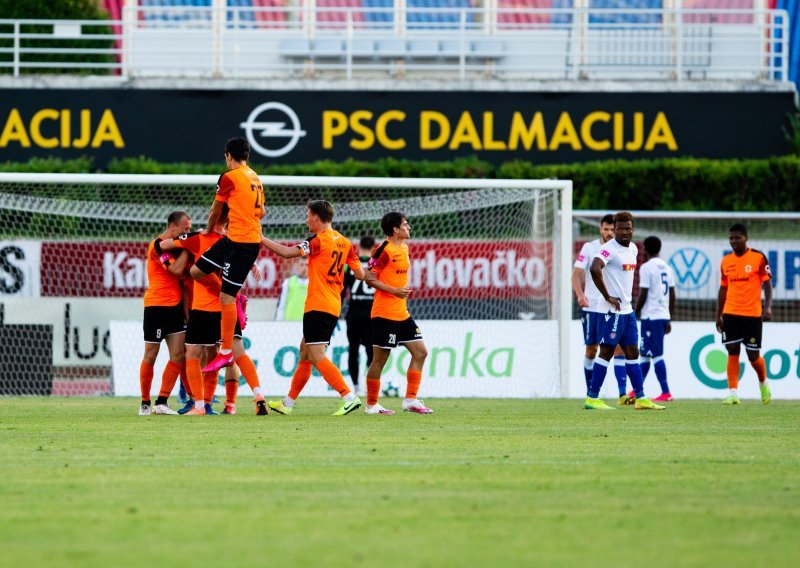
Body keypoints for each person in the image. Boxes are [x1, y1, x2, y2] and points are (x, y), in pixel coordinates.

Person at [263, 200, 366, 416]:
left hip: (318, 305)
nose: (306, 219)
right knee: (305, 352)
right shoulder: (345, 243)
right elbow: (360, 274)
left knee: (317, 355)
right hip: (333, 304)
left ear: (317, 217)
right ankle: (287, 403)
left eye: (308, 215)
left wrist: (261, 238)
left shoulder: (318, 241)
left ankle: (349, 396)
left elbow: (287, 253)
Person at [161, 224, 267, 416]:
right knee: (234, 353)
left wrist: (188, 241)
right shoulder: (238, 243)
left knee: (193, 354)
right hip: (229, 308)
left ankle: (200, 405)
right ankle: (257, 396)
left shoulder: (199, 239)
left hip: (204, 309)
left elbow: (164, 245)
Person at [192, 137, 265, 375]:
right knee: (197, 271)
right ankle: (235, 301)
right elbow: (261, 211)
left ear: (228, 155)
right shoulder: (254, 176)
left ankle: (224, 353)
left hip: (243, 243)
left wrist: (211, 229)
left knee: (225, 297)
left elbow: (215, 209)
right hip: (234, 239)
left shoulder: (229, 177)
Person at [585, 211, 664, 411]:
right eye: (619, 228)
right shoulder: (608, 249)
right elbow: (595, 268)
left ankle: (641, 398)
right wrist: (607, 296)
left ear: (632, 229)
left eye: (627, 228)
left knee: (632, 351)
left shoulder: (634, 249)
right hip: (611, 311)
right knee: (607, 351)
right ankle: (592, 398)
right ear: (615, 229)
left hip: (626, 311)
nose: (623, 232)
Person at [363, 212, 432, 415]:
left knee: (421, 352)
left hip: (402, 313)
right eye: (405, 224)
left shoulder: (404, 247)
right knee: (380, 360)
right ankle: (371, 405)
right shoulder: (383, 250)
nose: (408, 227)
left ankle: (410, 400)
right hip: (384, 313)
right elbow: (368, 278)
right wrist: (394, 291)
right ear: (395, 229)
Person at [571, 214, 630, 404]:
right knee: (591, 350)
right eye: (606, 229)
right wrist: (580, 295)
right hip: (592, 308)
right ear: (600, 229)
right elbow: (576, 275)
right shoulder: (590, 248)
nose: (609, 233)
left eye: (612, 230)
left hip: (613, 308)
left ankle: (622, 394)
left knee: (619, 348)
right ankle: (591, 393)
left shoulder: (620, 249)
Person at [139, 210, 192, 416]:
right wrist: (189, 247)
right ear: (173, 227)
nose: (187, 232)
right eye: (184, 229)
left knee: (178, 355)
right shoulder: (158, 245)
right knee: (151, 355)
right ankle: (144, 403)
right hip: (157, 307)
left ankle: (162, 401)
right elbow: (176, 270)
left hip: (175, 308)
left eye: (189, 229)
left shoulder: (177, 247)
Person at [716, 223, 772, 405]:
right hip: (731, 312)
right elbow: (723, 288)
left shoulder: (758, 257)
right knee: (732, 350)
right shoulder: (726, 261)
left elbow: (768, 284)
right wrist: (718, 315)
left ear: (746, 238)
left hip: (752, 314)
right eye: (731, 238)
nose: (733, 241)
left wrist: (768, 306)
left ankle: (763, 382)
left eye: (737, 237)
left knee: (752, 356)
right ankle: (733, 393)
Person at [634, 236, 676, 402]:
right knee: (645, 354)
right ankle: (637, 391)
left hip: (651, 316)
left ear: (645, 249)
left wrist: (634, 313)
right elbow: (672, 295)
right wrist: (669, 317)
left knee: (656, 354)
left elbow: (643, 293)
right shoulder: (667, 267)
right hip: (662, 315)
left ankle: (666, 392)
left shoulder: (646, 267)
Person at [343, 234, 376, 396]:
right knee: (373, 352)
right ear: (373, 248)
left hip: (353, 314)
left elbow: (343, 290)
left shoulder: (350, 265)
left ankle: (356, 386)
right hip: (372, 314)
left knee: (353, 350)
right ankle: (371, 386)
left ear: (358, 247)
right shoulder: (375, 264)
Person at [275, 256, 309, 321]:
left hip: (307, 323)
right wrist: (278, 323)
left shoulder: (313, 284)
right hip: (290, 323)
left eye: (307, 265)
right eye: (301, 265)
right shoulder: (288, 282)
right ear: (297, 266)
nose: (304, 267)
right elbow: (281, 304)